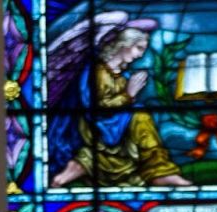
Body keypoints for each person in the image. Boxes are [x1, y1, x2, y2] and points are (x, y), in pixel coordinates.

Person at [46, 15, 193, 188]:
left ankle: (160, 171)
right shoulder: (99, 72)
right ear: (124, 45)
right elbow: (98, 107)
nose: (140, 55)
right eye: (138, 48)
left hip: (113, 123)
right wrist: (129, 95)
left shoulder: (119, 75)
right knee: (139, 115)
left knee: (139, 115)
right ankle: (159, 171)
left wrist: (129, 95)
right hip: (97, 123)